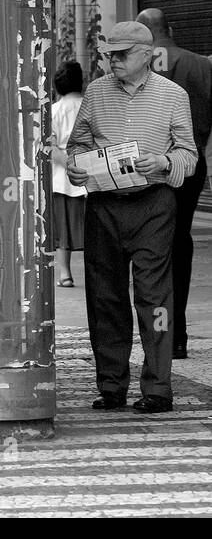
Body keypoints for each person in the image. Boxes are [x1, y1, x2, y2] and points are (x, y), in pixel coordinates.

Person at [66, 22, 198, 414]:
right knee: (104, 296)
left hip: (153, 204)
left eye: (121, 55)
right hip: (104, 206)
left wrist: (162, 161)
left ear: (146, 54)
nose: (112, 62)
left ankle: (157, 388)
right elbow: (79, 143)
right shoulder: (95, 91)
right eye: (109, 54)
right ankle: (111, 386)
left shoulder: (173, 96)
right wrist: (76, 166)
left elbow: (189, 155)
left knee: (154, 296)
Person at [137, 8, 212, 359]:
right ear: (172, 28)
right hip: (191, 166)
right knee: (180, 240)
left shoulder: (135, 65)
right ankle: (178, 336)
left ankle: (157, 333)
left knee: (151, 247)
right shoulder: (201, 65)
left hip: (145, 170)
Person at [48, 61, 86, 287]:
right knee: (93, 230)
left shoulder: (54, 110)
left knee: (63, 232)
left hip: (62, 178)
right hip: (89, 175)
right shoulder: (89, 106)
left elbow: (50, 146)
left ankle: (65, 274)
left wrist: (68, 163)